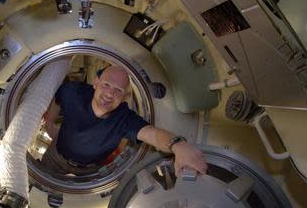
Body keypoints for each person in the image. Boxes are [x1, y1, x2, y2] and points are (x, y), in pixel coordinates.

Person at [42, 65, 207, 176]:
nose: (109, 94)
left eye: (118, 90)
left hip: (90, 169)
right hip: (56, 157)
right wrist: (49, 123)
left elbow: (153, 135)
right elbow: (58, 99)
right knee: (40, 185)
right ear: (96, 83)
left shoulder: (125, 118)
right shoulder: (73, 92)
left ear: (125, 97)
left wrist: (178, 145)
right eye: (106, 85)